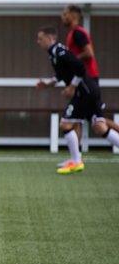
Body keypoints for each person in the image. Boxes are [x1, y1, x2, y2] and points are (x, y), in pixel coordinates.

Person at [35, 26, 119, 175]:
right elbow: (61, 74)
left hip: (84, 91)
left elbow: (80, 67)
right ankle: (75, 159)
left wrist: (73, 87)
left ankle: (76, 161)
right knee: (100, 127)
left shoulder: (60, 51)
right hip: (89, 90)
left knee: (65, 124)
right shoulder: (53, 54)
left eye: (40, 39)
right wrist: (48, 83)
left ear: (49, 38)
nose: (38, 42)